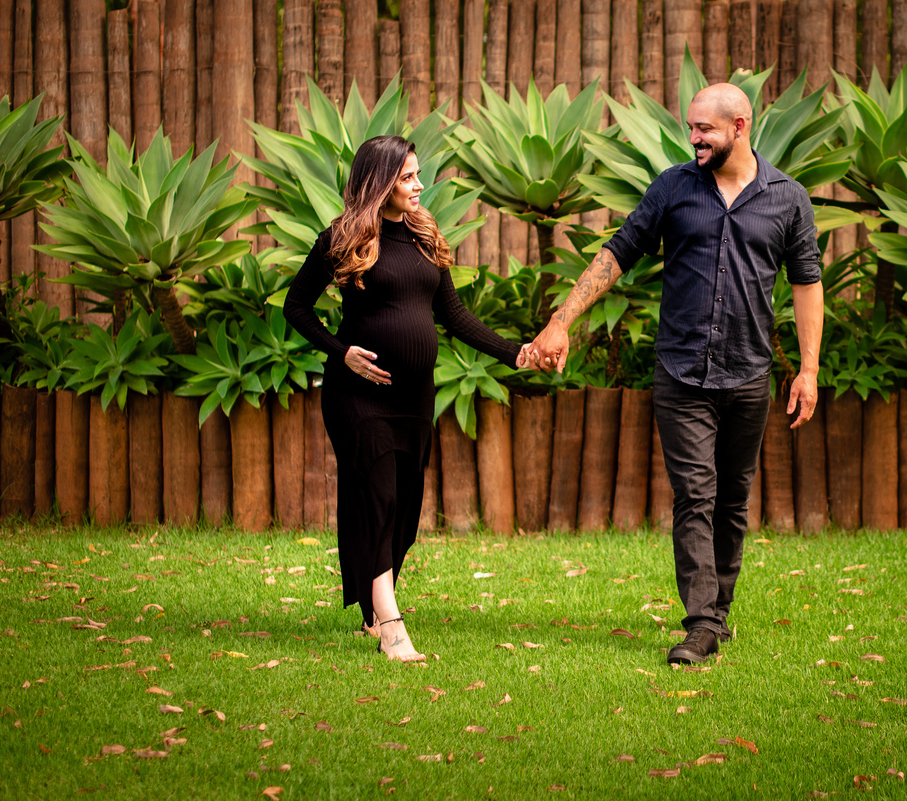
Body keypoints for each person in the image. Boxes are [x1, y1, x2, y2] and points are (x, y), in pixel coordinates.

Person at [528, 84, 823, 665]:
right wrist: (561, 321)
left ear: (739, 126)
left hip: (747, 373)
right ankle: (702, 624)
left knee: (732, 500)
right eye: (691, 128)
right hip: (681, 372)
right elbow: (618, 252)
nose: (694, 139)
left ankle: (718, 613)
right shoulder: (673, 187)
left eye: (704, 129)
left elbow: (807, 284)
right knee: (695, 495)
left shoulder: (788, 198)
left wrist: (807, 370)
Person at [284, 135, 530, 662]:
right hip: (359, 395)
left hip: (415, 397)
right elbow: (296, 306)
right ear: (380, 183)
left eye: (417, 175)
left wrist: (517, 354)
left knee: (404, 507)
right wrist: (342, 352)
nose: (419, 186)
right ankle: (391, 626)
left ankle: (372, 608)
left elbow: (454, 316)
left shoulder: (424, 235)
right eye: (407, 177)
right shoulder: (342, 239)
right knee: (377, 496)